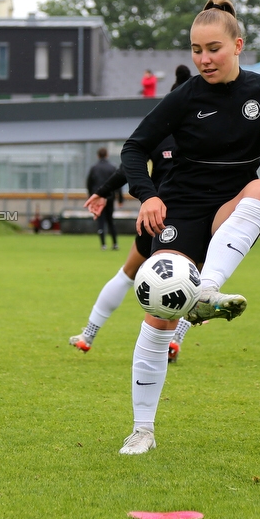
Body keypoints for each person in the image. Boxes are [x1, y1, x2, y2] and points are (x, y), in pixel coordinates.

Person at [115, 0, 260, 456]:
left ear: (238, 45)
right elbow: (133, 148)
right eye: (195, 50)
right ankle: (142, 430)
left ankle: (204, 293)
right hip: (182, 210)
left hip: (230, 205)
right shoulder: (185, 97)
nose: (203, 59)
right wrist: (148, 196)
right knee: (158, 317)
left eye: (213, 49)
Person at [74, 136, 192, 361]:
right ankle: (175, 339)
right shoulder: (206, 132)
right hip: (193, 220)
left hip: (157, 216)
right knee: (196, 280)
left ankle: (88, 335)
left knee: (127, 274)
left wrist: (103, 191)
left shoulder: (161, 135)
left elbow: (129, 167)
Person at [86, 147, 120, 251]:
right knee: (110, 220)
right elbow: (118, 182)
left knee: (100, 221)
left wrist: (91, 197)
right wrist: (120, 199)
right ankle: (114, 243)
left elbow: (89, 183)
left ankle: (103, 244)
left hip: (98, 198)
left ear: (98, 156)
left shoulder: (94, 168)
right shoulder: (112, 167)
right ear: (107, 155)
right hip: (109, 197)